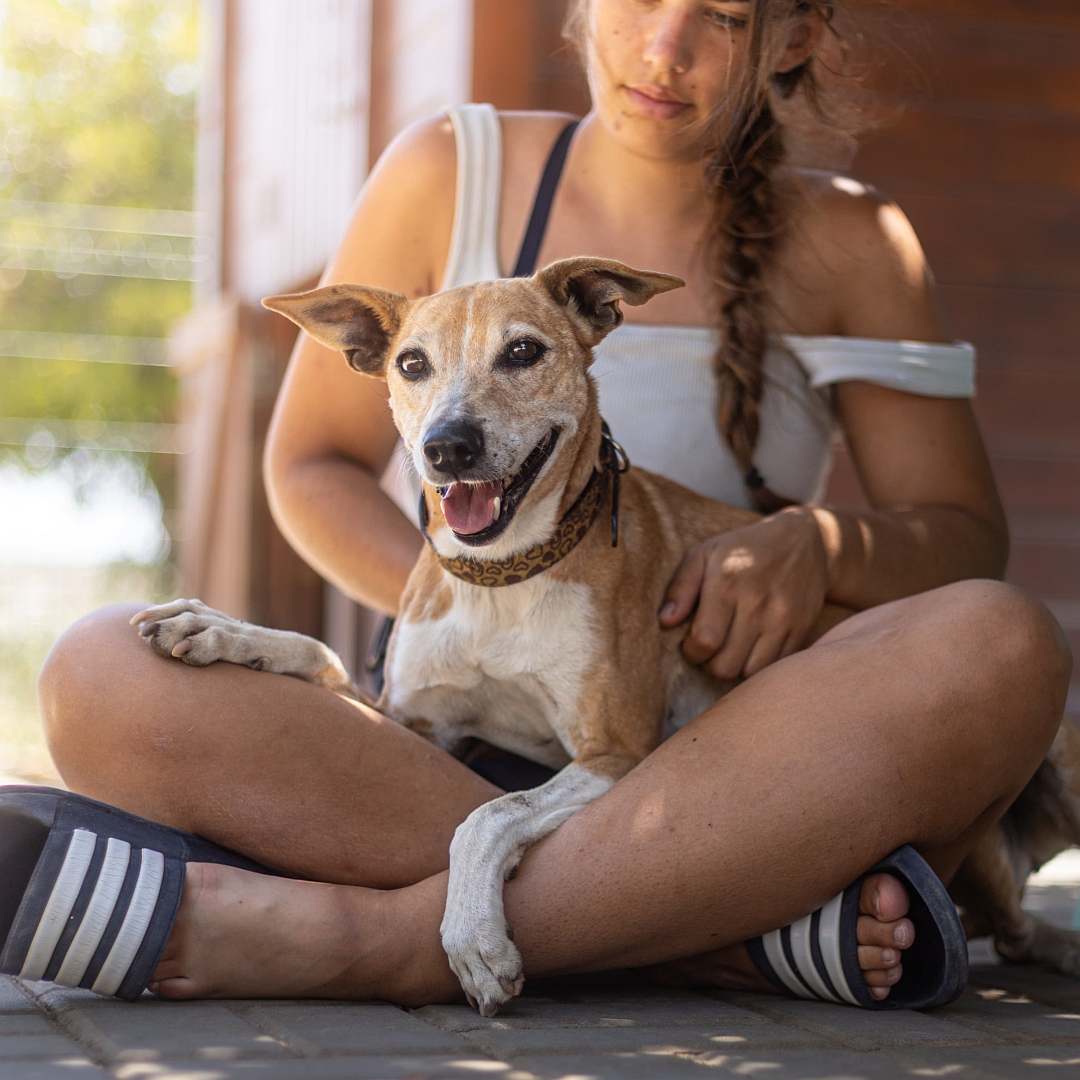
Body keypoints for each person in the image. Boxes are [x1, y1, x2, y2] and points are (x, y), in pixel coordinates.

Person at [37, 0, 1070, 1006]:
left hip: (734, 761)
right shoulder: (449, 167)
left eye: (720, 15)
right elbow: (312, 466)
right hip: (452, 763)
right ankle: (710, 934)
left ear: (791, 33)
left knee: (1002, 644)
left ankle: (385, 938)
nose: (664, 49)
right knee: (101, 671)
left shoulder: (856, 236)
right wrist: (470, 600)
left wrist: (820, 544)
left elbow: (966, 542)